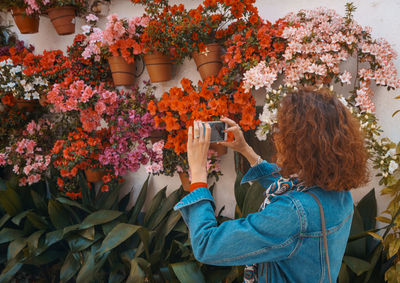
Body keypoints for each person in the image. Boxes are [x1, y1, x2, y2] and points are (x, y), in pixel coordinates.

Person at [173, 87, 369, 283]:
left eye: (282, 131)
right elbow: (295, 187)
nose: (277, 137)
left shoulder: (293, 213)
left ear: (299, 145)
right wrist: (246, 151)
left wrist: (198, 173)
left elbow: (207, 245)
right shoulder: (338, 191)